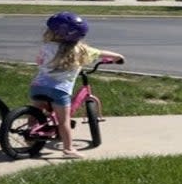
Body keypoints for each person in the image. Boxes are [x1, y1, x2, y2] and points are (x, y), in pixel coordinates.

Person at [30, 11, 124, 158]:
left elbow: (39, 62)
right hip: (59, 91)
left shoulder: (46, 47)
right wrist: (118, 57)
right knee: (64, 122)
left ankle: (30, 133)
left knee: (35, 113)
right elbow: (100, 53)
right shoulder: (81, 50)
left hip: (38, 86)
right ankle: (68, 150)